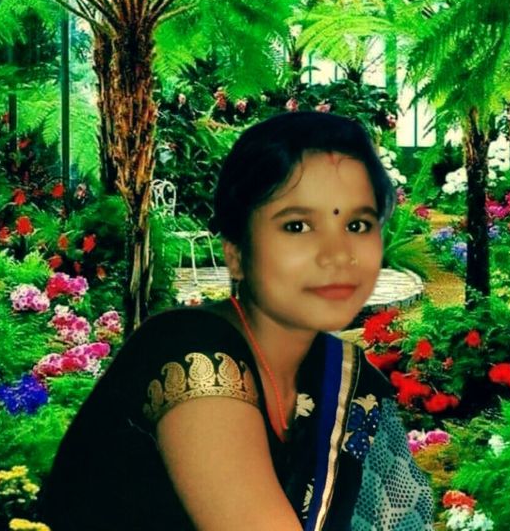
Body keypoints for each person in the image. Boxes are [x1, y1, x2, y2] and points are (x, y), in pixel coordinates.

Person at [40, 111, 433, 531]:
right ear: (236, 253)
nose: (337, 254)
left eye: (357, 224)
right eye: (298, 226)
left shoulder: (354, 383)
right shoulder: (191, 350)